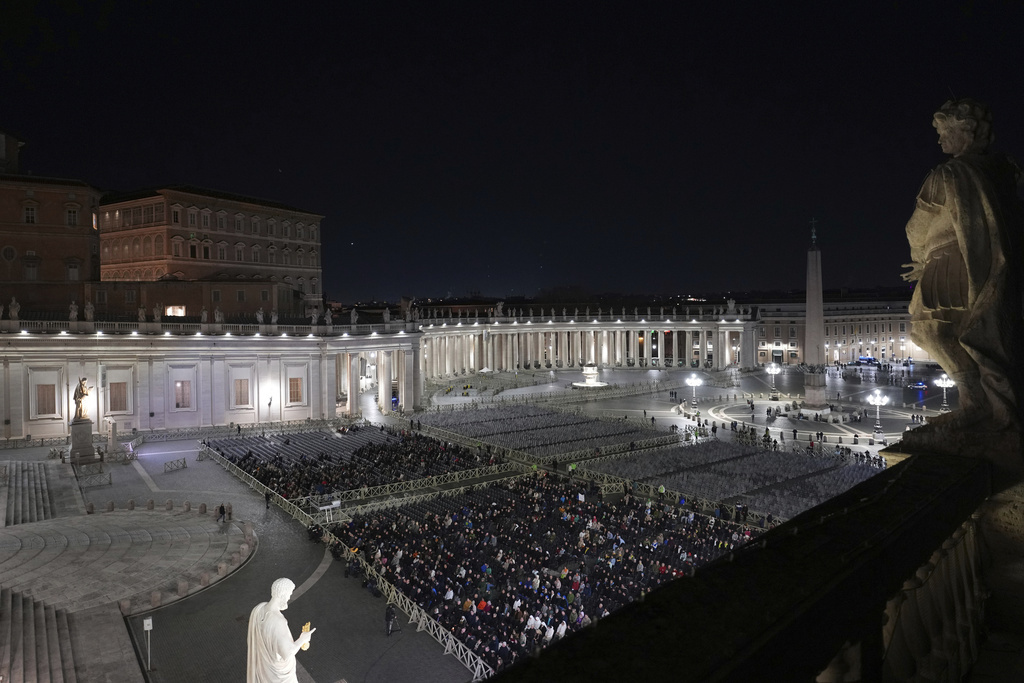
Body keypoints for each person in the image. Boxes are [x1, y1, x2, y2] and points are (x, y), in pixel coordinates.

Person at [902, 98, 1023, 431]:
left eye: (944, 131)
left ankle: (974, 401)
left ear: (965, 131)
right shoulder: (1006, 168)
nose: (940, 140)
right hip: (994, 265)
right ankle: (990, 401)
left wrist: (917, 260)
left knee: (930, 330)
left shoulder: (947, 174)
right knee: (981, 330)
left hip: (949, 261)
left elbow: (916, 226)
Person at [247, 578, 315, 683]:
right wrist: (303, 639)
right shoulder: (278, 622)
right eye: (289, 594)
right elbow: (287, 653)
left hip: (264, 669)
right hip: (280, 676)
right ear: (283, 594)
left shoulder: (259, 609)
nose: (289, 598)